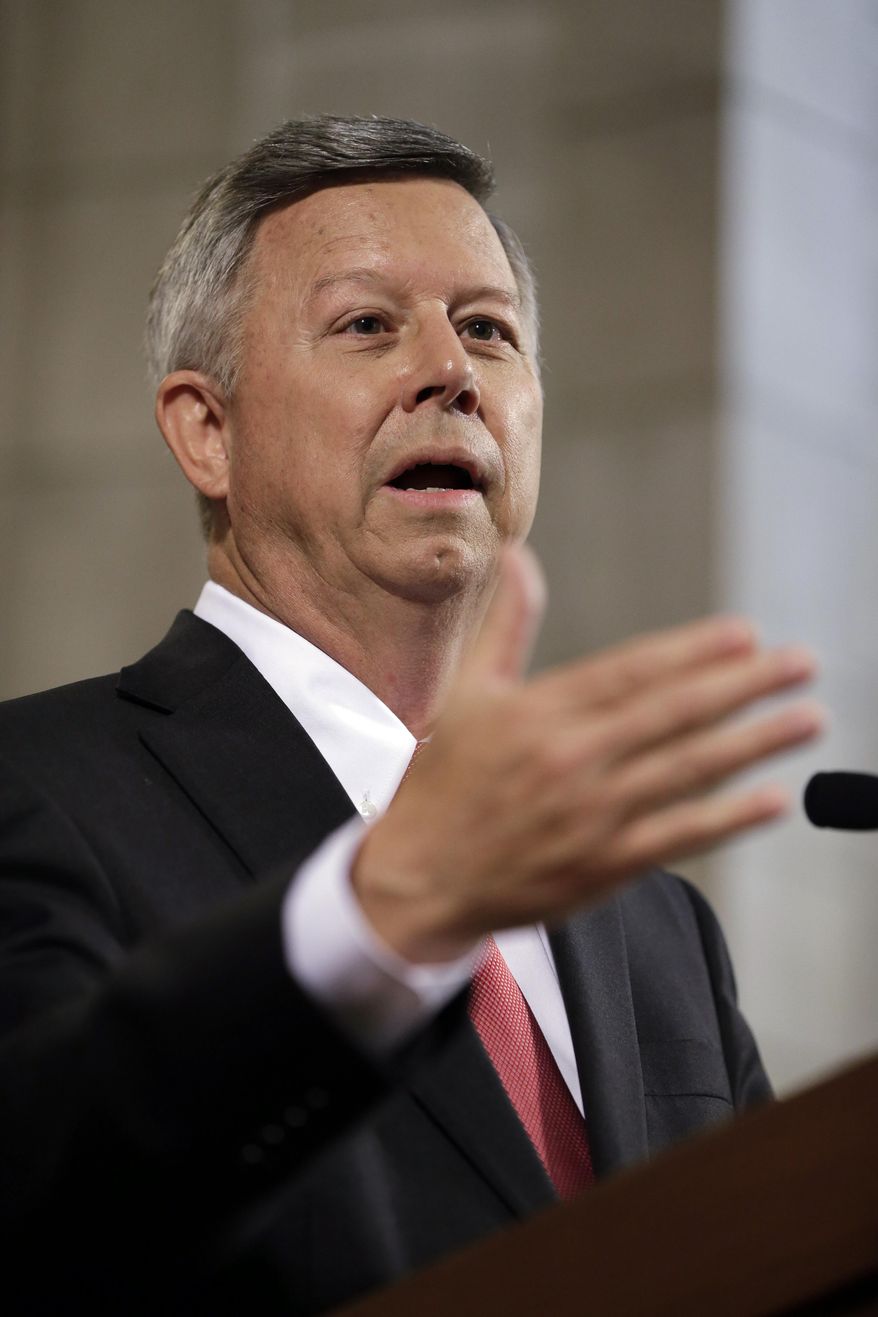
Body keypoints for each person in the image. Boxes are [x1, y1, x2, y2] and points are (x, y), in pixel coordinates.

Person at [0, 116, 822, 1315]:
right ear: (206, 429)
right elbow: (39, 1199)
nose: (452, 371)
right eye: (367, 326)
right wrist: (375, 922)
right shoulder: (41, 790)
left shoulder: (653, 926)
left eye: (487, 330)